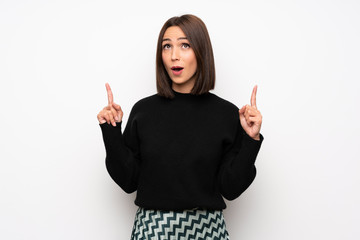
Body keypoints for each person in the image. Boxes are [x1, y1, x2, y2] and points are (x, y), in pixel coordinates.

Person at [97, 14, 263, 240]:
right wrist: (111, 131)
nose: (174, 56)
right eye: (167, 47)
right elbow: (128, 181)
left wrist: (250, 141)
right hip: (152, 229)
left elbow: (231, 188)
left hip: (207, 230)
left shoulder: (226, 114)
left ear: (201, 51)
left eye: (185, 45)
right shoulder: (144, 111)